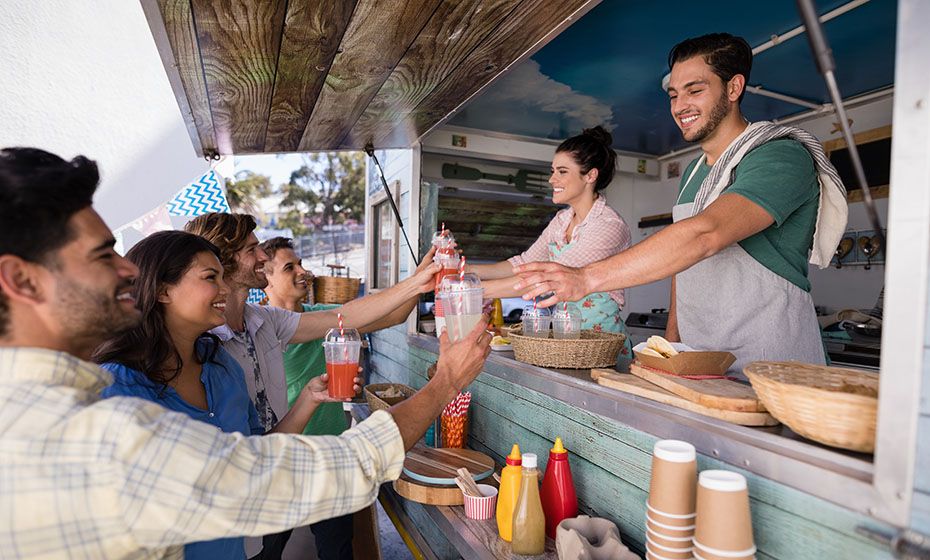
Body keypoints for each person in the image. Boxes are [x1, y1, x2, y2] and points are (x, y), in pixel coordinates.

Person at [0, 147, 492, 559]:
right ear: (21, 280)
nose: (128, 271)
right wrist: (445, 380)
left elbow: (360, 320)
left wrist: (419, 283)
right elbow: (336, 468)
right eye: (101, 255)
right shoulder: (107, 428)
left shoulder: (219, 359)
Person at [514, 33, 847, 372]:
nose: (679, 106)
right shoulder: (693, 173)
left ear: (733, 89)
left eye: (695, 90)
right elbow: (684, 267)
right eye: (674, 94)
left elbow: (705, 236)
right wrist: (671, 345)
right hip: (702, 360)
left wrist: (585, 279)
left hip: (772, 360)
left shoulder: (780, 155)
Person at [93, 231, 362, 560]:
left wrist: (308, 398)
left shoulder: (221, 365)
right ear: (162, 290)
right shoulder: (113, 389)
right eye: (210, 277)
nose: (224, 288)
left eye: (222, 276)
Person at [185, 213, 430, 558]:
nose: (262, 258)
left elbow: (341, 317)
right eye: (252, 249)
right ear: (222, 259)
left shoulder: (264, 320)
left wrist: (416, 282)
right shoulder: (199, 341)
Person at [469, 126, 633, 346]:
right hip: (567, 337)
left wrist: (470, 291)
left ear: (590, 175)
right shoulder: (561, 221)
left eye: (562, 172)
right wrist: (466, 270)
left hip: (602, 342)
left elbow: (547, 278)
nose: (551, 180)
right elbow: (525, 264)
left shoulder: (608, 226)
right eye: (553, 171)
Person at [259, 236, 356, 560]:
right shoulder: (252, 331)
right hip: (280, 462)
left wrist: (419, 284)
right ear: (265, 278)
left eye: (301, 263)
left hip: (328, 458)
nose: (304, 271)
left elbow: (383, 315)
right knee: (264, 551)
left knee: (337, 552)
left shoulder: (323, 320)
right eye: (290, 267)